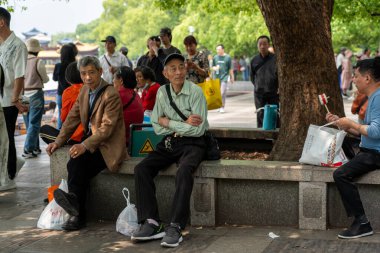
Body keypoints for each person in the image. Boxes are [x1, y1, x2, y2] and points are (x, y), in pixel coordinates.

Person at [131, 53, 208, 248]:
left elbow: (197, 129)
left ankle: (175, 226)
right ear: (165, 73)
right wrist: (181, 123)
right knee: (142, 169)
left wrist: (170, 122)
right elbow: (157, 125)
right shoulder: (163, 93)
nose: (178, 72)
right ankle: (151, 222)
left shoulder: (196, 92)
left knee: (184, 171)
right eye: (172, 68)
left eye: (181, 67)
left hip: (195, 142)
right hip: (170, 141)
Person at [46, 56, 127, 231]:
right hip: (92, 144)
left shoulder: (110, 94)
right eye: (83, 74)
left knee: (78, 164)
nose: (87, 77)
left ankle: (77, 212)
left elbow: (107, 129)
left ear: (100, 71)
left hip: (107, 147)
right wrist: (58, 141)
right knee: (76, 164)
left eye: (91, 72)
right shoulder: (84, 91)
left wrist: (83, 145)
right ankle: (76, 207)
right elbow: (72, 119)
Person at [326, 57, 380, 239]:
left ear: (368, 78)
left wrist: (351, 123)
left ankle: (362, 223)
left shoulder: (379, 98)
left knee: (340, 174)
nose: (353, 80)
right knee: (342, 143)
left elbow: (375, 131)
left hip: (375, 154)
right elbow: (362, 132)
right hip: (367, 149)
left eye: (356, 76)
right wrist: (342, 124)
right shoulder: (371, 97)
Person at [0, 7, 28, 190]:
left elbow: (19, 76)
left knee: (7, 139)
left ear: (1, 22)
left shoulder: (17, 45)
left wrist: (16, 99)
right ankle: (10, 168)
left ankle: (9, 176)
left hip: (9, 100)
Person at [22, 38, 49, 158]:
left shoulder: (21, 61)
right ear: (37, 50)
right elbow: (46, 79)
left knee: (29, 123)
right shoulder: (38, 61)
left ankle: (35, 148)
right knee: (35, 123)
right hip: (36, 94)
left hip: (23, 95)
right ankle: (27, 149)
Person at [250, 35, 279, 128]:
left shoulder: (275, 59)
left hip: (273, 92)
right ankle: (260, 136)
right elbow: (252, 76)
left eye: (265, 44)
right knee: (260, 114)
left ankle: (276, 135)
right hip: (259, 93)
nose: (262, 46)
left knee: (275, 114)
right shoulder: (254, 60)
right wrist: (258, 85)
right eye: (260, 44)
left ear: (268, 45)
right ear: (258, 46)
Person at [113, 66, 144, 146]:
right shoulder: (135, 94)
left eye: (114, 79)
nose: (113, 81)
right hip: (135, 139)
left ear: (121, 80)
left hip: (122, 142)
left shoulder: (118, 96)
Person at [53, 43, 77, 129]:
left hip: (61, 94)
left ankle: (59, 138)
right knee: (73, 116)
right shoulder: (75, 65)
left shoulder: (58, 65)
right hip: (73, 94)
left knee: (61, 116)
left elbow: (54, 78)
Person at [213, 44, 234, 113]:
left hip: (224, 77)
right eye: (217, 49)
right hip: (216, 77)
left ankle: (222, 106)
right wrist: (215, 68)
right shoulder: (215, 57)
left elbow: (230, 68)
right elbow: (212, 66)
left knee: (222, 92)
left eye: (219, 49)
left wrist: (232, 77)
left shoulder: (227, 57)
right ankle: (218, 106)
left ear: (222, 49)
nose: (217, 51)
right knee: (217, 93)